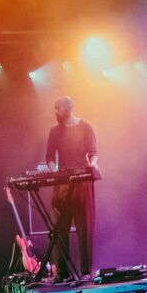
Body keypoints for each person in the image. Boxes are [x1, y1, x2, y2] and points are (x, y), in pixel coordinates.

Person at [43, 96, 100, 280]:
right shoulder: (55, 130)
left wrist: (92, 164)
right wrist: (55, 172)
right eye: (55, 108)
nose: (55, 112)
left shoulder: (85, 126)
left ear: (68, 108)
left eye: (58, 108)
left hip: (82, 181)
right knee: (60, 228)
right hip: (63, 181)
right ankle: (62, 272)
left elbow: (93, 152)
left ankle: (86, 272)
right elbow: (49, 157)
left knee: (85, 227)